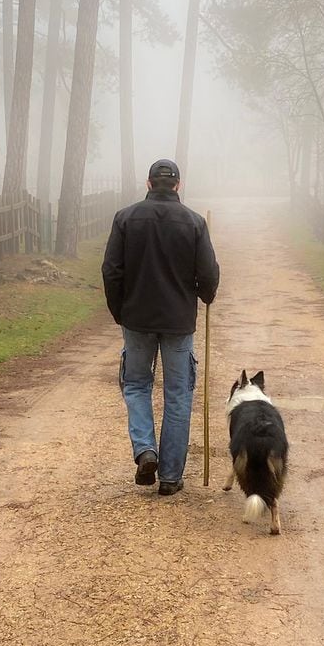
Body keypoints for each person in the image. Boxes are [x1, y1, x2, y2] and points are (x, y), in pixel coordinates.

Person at [101, 159, 220, 496]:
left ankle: (145, 450)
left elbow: (111, 270)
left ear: (149, 184)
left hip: (136, 318)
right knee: (178, 395)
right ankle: (170, 476)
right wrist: (205, 295)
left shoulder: (125, 219)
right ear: (178, 185)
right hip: (178, 322)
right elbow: (208, 274)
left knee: (137, 385)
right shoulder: (195, 223)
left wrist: (119, 312)